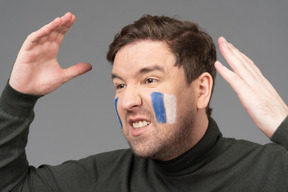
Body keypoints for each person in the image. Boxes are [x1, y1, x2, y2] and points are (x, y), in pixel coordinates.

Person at [0, 12, 287, 191]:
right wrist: (18, 97)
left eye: (150, 80)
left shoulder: (272, 171)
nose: (127, 100)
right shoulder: (98, 180)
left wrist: (284, 125)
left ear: (201, 90)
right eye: (120, 85)